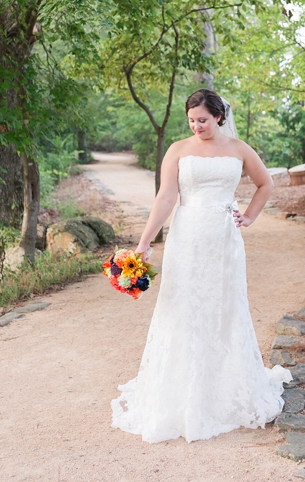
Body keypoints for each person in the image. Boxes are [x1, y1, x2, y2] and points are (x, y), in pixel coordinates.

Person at [111, 88, 291, 443]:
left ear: (219, 116)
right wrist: (145, 242)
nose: (197, 126)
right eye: (192, 120)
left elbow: (264, 183)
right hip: (187, 237)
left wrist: (250, 216)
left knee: (224, 305)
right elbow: (166, 197)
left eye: (203, 120)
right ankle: (180, 391)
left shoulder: (239, 149)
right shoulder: (178, 150)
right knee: (183, 306)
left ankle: (227, 387)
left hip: (224, 238)